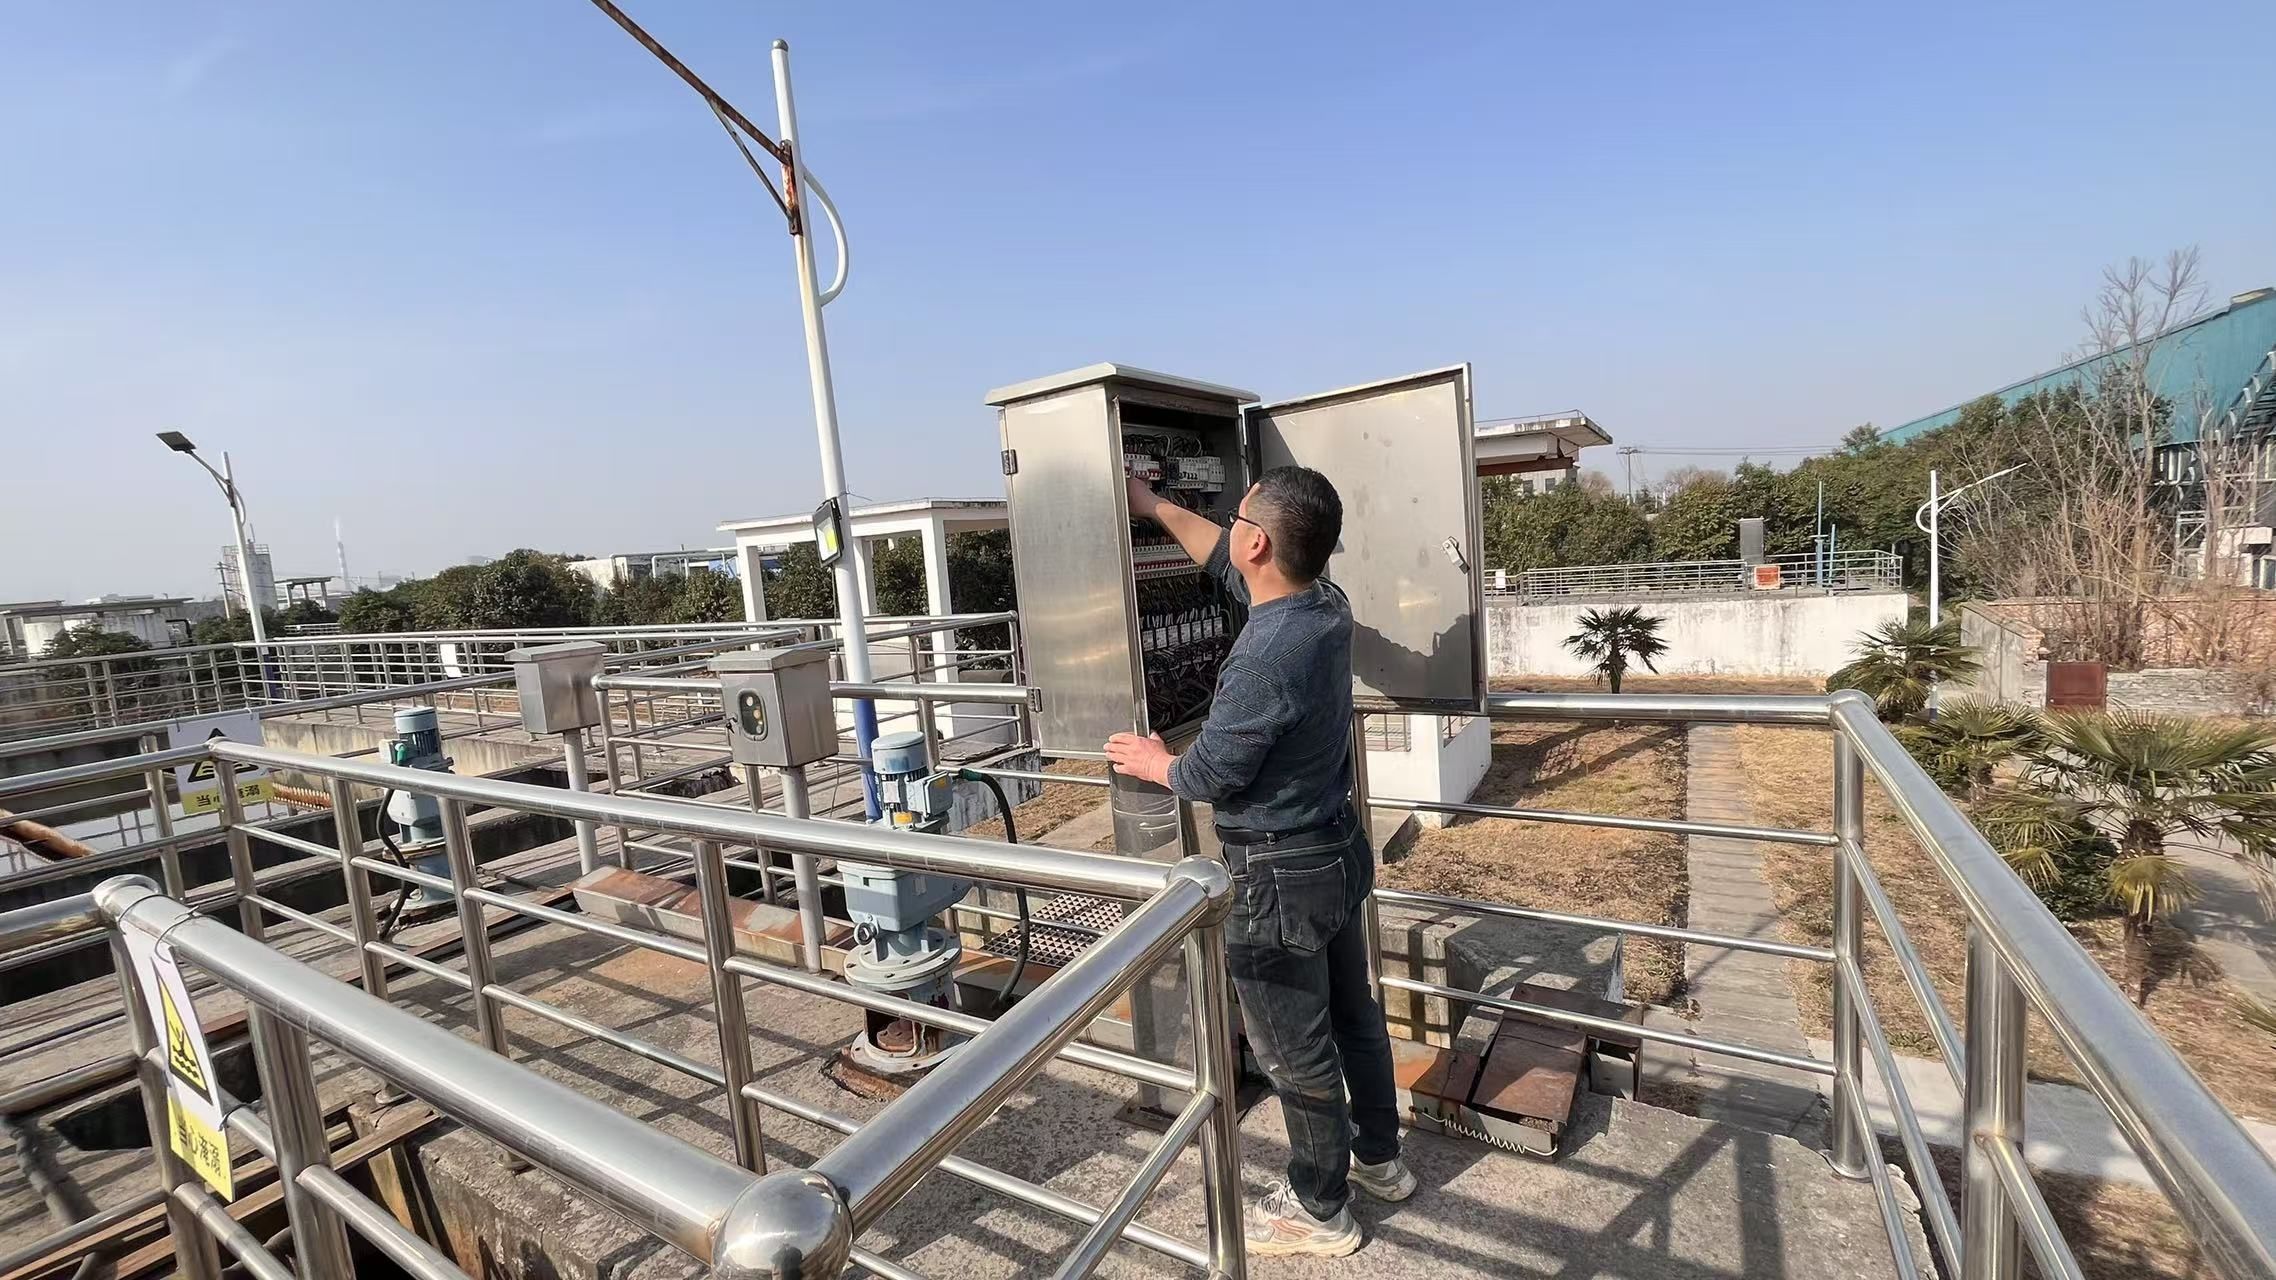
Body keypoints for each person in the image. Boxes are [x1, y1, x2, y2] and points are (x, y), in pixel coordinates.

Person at [1106, 466, 1415, 1259]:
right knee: (1353, 1016)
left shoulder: (1263, 657)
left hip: (1277, 877)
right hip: (1335, 851)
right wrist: (1151, 504)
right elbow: (1222, 558)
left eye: (1237, 518)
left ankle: (1320, 1209)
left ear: (1259, 545)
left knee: (1293, 1051)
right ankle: (1380, 1159)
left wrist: (1155, 762)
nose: (1229, 527)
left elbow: (1210, 773)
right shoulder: (1324, 605)